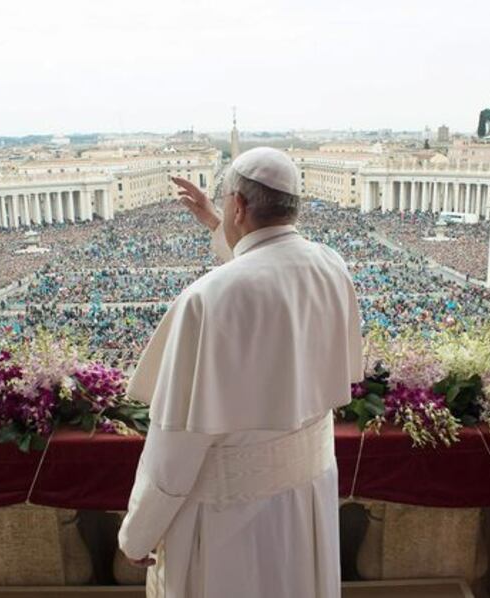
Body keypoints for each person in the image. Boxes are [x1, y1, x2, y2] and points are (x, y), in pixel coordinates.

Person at [118, 147, 365, 597]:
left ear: (239, 206)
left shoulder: (204, 300)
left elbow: (174, 445)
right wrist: (219, 227)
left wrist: (138, 532)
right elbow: (271, 277)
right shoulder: (332, 267)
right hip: (307, 497)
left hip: (230, 519)